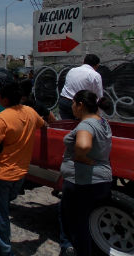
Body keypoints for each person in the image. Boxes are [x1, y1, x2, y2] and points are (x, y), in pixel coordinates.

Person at [0, 82, 46, 256]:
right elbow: (43, 124)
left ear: (4, 99)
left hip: (1, 173)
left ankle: (5, 250)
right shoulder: (30, 112)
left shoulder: (2, 118)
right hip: (20, 172)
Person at [59, 90, 112, 256]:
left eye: (73, 103)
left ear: (80, 105)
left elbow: (83, 146)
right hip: (100, 180)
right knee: (86, 224)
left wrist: (81, 157)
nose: (72, 107)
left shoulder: (86, 125)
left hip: (82, 182)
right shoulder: (102, 122)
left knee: (76, 226)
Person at [59, 54, 103, 120]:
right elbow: (98, 96)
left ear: (83, 62)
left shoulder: (72, 70)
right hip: (80, 105)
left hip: (64, 101)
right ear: (97, 66)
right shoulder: (95, 75)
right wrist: (99, 116)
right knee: (82, 126)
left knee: (67, 127)